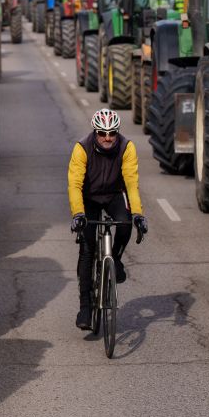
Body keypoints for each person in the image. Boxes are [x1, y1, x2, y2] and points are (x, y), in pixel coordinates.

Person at [67, 108, 148, 330]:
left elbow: (131, 182)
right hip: (89, 197)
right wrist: (78, 214)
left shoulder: (126, 147)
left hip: (113, 194)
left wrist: (139, 214)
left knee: (124, 224)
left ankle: (117, 259)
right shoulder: (82, 148)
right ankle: (85, 307)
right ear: (95, 132)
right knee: (87, 248)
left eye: (112, 133)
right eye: (102, 133)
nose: (107, 138)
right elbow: (74, 184)